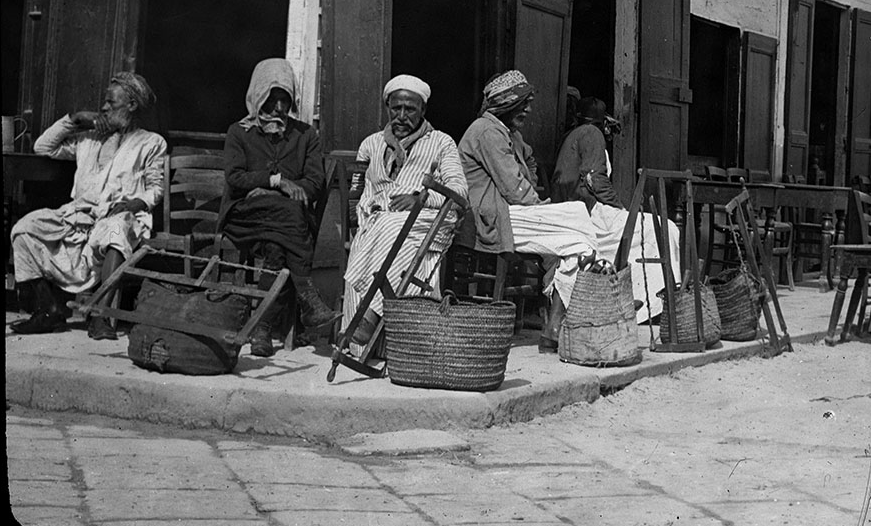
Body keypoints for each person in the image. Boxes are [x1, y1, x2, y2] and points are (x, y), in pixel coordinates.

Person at [459, 71, 680, 353]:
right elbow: (514, 188)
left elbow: (528, 158)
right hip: (491, 216)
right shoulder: (487, 131)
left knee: (576, 243)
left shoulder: (507, 134)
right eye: (523, 103)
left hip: (509, 212)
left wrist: (533, 181)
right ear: (506, 102)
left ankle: (555, 325)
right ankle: (586, 309)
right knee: (576, 218)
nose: (527, 110)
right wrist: (542, 205)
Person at [10, 72, 167, 338]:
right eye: (103, 103)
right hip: (78, 216)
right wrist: (76, 118)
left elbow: (156, 188)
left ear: (131, 105)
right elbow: (42, 146)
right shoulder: (88, 139)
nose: (103, 108)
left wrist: (135, 203)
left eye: (110, 102)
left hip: (121, 214)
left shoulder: (150, 142)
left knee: (114, 231)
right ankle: (49, 311)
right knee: (24, 229)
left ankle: (100, 316)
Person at [218, 58, 338, 356]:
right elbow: (235, 179)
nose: (280, 109)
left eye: (285, 100)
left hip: (282, 222)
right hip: (244, 216)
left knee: (277, 247)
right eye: (273, 99)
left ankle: (262, 327)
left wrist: (272, 192)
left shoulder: (305, 135)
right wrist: (276, 181)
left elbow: (314, 181)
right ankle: (309, 300)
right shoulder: (239, 132)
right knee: (292, 216)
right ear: (258, 96)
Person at [344, 75, 468, 345]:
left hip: (430, 219)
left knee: (389, 227)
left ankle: (370, 315)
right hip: (382, 219)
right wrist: (363, 211)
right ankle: (360, 340)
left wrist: (420, 198)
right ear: (387, 107)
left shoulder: (441, 142)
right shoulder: (371, 143)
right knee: (370, 234)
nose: (401, 115)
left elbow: (459, 191)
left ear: (423, 110)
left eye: (409, 109)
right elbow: (358, 189)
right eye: (395, 108)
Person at [551, 95, 680, 324]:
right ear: (601, 122)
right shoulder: (592, 134)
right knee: (665, 228)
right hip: (590, 214)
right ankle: (660, 305)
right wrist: (619, 207)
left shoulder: (569, 136)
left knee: (644, 233)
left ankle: (643, 302)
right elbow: (593, 179)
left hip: (574, 212)